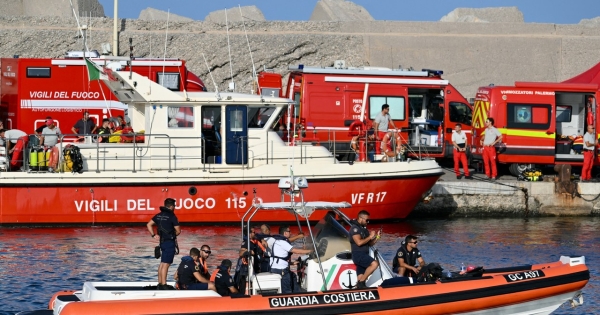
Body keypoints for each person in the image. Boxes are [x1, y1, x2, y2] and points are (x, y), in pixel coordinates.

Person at [265, 225, 313, 293]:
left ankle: (297, 294)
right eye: (289, 231)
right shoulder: (282, 242)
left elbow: (280, 257)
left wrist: (291, 263)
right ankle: (289, 296)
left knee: (293, 276)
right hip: (281, 270)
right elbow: (296, 251)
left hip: (276, 267)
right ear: (285, 233)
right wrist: (311, 251)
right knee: (286, 288)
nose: (290, 233)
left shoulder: (278, 241)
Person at [147, 198, 181, 290]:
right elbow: (178, 231)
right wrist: (173, 234)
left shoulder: (158, 215)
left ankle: (160, 283)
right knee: (166, 264)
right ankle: (164, 284)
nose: (175, 208)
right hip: (169, 242)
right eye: (174, 206)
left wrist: (153, 235)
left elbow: (149, 224)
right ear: (171, 206)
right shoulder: (172, 216)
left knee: (162, 263)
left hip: (162, 242)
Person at [349, 210, 380, 289]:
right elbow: (359, 242)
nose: (368, 222)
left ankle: (359, 286)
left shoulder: (364, 229)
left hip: (364, 254)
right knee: (374, 264)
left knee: (361, 276)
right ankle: (361, 283)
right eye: (367, 220)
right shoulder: (355, 229)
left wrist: (377, 237)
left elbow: (370, 244)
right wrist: (370, 236)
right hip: (358, 254)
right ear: (360, 218)